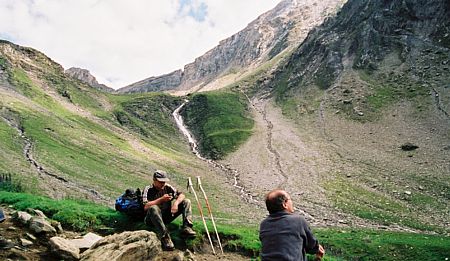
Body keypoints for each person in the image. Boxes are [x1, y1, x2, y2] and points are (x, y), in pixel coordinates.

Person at [259, 189, 325, 261]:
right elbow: (311, 246)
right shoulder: (298, 221)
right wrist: (318, 249)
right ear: (284, 204)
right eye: (290, 199)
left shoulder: (264, 224)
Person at [143, 170, 196, 250]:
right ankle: (165, 238)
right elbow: (146, 206)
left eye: (164, 181)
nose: (163, 183)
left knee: (186, 201)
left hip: (166, 216)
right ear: (154, 180)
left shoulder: (167, 187)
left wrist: (176, 203)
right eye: (160, 182)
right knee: (153, 208)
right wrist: (161, 200)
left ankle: (187, 227)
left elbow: (181, 195)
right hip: (151, 219)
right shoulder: (148, 189)